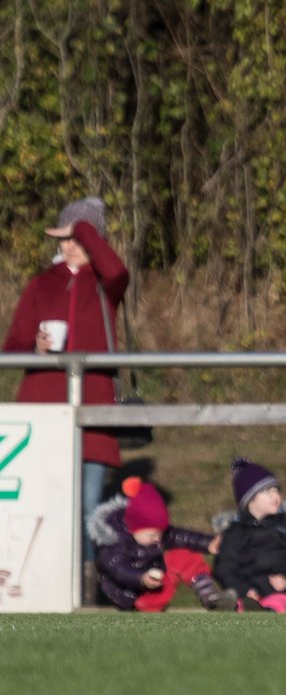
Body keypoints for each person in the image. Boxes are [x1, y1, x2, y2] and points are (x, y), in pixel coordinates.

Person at [2, 196, 129, 579]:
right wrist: (36, 349)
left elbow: (118, 269)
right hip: (43, 410)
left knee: (88, 504)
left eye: (79, 237)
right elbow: (12, 347)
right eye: (67, 236)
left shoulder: (107, 284)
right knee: (45, 501)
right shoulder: (41, 284)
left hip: (93, 408)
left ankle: (87, 585)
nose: (70, 244)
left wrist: (84, 227)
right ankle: (46, 582)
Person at [88, 476, 233, 612]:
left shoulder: (154, 534)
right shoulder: (113, 542)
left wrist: (209, 543)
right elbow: (119, 570)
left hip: (156, 583)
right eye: (152, 535)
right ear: (133, 528)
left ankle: (209, 595)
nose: (158, 539)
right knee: (172, 559)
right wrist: (141, 578)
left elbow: (181, 536)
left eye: (160, 534)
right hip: (133, 596)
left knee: (183, 555)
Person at [213, 457, 286, 612]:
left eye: (277, 490)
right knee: (240, 601)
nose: (276, 496)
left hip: (283, 590)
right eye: (268, 492)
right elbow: (224, 566)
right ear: (250, 501)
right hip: (250, 591)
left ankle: (267, 611)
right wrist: (243, 589)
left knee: (280, 603)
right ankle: (236, 605)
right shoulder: (236, 532)